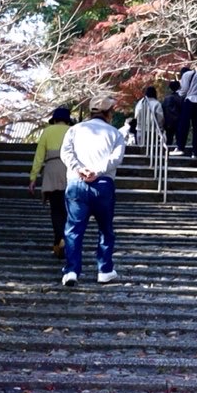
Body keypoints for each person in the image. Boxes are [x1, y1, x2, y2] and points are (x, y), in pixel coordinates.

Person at [60, 109, 128, 285]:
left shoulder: (74, 130)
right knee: (105, 229)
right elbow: (116, 158)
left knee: (73, 230)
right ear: (109, 115)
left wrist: (79, 168)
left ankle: (71, 271)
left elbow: (66, 152)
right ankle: (104, 270)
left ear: (90, 113)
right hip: (103, 184)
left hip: (76, 182)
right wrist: (97, 171)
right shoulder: (115, 133)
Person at [28, 105, 73, 254]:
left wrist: (33, 178)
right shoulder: (72, 131)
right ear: (67, 120)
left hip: (52, 169)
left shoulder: (47, 132)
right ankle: (65, 239)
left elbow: (39, 156)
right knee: (67, 208)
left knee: (55, 209)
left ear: (54, 120)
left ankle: (58, 239)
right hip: (69, 169)